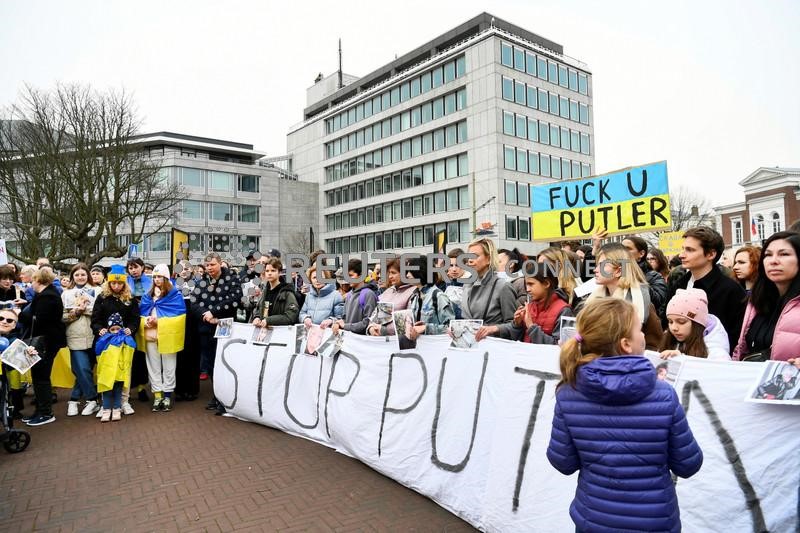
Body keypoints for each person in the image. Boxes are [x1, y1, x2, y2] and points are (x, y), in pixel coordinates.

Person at [546, 298, 703, 533]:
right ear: (626, 344)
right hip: (655, 521)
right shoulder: (663, 395)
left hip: (593, 520)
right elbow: (689, 464)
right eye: (639, 329)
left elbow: (563, 462)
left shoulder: (569, 393)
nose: (644, 335)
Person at [664, 226, 746, 351]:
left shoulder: (731, 290)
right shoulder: (678, 285)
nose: (681, 255)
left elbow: (736, 336)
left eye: (690, 250)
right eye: (683, 249)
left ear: (711, 254)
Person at [733, 231, 800, 362]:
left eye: (784, 254)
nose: (773, 261)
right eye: (768, 255)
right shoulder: (756, 299)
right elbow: (741, 348)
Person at [189, 253, 242, 414]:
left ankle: (226, 398)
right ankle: (217, 396)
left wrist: (214, 312)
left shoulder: (231, 278)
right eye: (207, 265)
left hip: (224, 327)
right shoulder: (202, 281)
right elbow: (194, 302)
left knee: (225, 363)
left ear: (220, 264)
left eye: (212, 264)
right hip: (206, 328)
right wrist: (206, 315)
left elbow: (235, 299)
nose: (209, 268)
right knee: (211, 364)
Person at [585, 243, 662, 349]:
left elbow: (653, 346)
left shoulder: (642, 303)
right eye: (597, 264)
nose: (595, 270)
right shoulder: (593, 299)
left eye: (602, 265)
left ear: (618, 271)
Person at [18, 268, 67, 426]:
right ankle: (40, 410)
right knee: (39, 376)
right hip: (46, 341)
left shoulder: (48, 297)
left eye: (32, 280)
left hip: (45, 342)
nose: (31, 283)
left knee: (41, 377)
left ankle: (46, 412)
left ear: (38, 281)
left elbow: (38, 320)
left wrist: (19, 314)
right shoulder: (47, 295)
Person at [91, 265, 140, 416]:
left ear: (124, 284)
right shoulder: (102, 297)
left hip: (124, 342)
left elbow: (135, 319)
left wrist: (130, 329)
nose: (116, 286)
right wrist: (99, 329)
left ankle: (124, 401)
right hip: (105, 342)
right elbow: (95, 318)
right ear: (109, 283)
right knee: (104, 370)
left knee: (124, 370)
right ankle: (106, 403)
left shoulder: (129, 298)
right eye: (113, 283)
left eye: (119, 283)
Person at [138, 264, 186, 412]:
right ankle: (157, 395)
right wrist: (146, 321)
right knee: (153, 366)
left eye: (160, 276)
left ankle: (167, 395)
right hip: (151, 335)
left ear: (166, 278)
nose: (157, 279)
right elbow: (140, 314)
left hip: (168, 336)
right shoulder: (147, 296)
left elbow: (180, 316)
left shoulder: (175, 295)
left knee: (169, 366)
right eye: (155, 277)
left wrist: (159, 321)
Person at [61, 263, 100, 417]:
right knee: (81, 369)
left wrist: (86, 310)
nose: (80, 277)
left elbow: (102, 312)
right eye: (77, 275)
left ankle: (74, 399)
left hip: (94, 335)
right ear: (72, 277)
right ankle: (92, 399)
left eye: (83, 274)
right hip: (75, 336)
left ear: (88, 275)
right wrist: (75, 313)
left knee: (85, 371)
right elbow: (62, 316)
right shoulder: (66, 294)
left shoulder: (97, 291)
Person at [503, 262, 573, 345]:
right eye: (526, 285)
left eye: (531, 284)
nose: (527, 289)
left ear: (546, 284)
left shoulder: (563, 310)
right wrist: (517, 325)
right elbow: (517, 340)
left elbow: (560, 346)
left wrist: (531, 327)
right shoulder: (530, 306)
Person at [462, 238, 517, 341]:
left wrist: (494, 329)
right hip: (469, 349)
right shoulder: (466, 286)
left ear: (488, 259)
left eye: (475, 256)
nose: (470, 260)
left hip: (493, 351)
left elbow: (515, 327)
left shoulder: (503, 286)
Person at [659, 288, 730, 360]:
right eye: (670, 321)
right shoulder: (669, 340)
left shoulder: (717, 354)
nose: (674, 328)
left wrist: (682, 360)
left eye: (681, 322)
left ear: (698, 324)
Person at [95, 312, 137, 422]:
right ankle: (106, 410)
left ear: (121, 328)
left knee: (118, 391)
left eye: (117, 329)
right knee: (106, 391)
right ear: (108, 329)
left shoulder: (125, 339)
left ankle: (117, 409)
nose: (115, 331)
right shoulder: (104, 339)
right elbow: (98, 353)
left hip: (119, 370)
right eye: (112, 329)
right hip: (107, 370)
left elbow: (130, 350)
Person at [125, 257, 152, 410]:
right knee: (130, 356)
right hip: (129, 323)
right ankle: (127, 389)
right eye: (130, 268)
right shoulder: (124, 282)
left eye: (136, 267)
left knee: (142, 356)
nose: (133, 270)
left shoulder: (151, 281)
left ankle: (142, 388)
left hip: (146, 322)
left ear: (142, 267)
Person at [367, 258, 418, 336]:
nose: (390, 276)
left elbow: (409, 323)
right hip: (381, 343)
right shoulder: (387, 292)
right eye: (389, 273)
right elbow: (375, 315)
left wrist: (383, 330)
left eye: (393, 273)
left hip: (399, 344)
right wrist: (370, 328)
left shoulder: (413, 292)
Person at [173, 261, 200, 402]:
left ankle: (192, 390)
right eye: (181, 269)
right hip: (176, 324)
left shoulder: (198, 286)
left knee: (192, 355)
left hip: (193, 324)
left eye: (187, 268)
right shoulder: (171, 286)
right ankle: (179, 390)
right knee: (179, 356)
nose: (184, 271)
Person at [621, 235, 668, 315]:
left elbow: (658, 301)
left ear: (641, 254)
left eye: (628, 249)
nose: (622, 252)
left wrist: (636, 278)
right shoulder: (616, 273)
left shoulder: (655, 276)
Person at [332, 258, 378, 336]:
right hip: (349, 342)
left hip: (362, 343)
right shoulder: (349, 295)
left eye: (350, 275)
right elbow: (344, 318)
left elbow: (368, 323)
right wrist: (338, 324)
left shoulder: (368, 294)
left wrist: (346, 326)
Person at [251, 258, 300, 327]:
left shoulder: (287, 292)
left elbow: (291, 316)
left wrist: (269, 320)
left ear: (279, 272)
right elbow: (259, 309)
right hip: (264, 333)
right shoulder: (265, 291)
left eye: (273, 271)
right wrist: (257, 317)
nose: (269, 273)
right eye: (267, 271)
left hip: (280, 333)